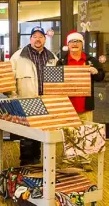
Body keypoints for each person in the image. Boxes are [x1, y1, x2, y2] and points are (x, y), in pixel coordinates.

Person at [10, 26, 58, 166]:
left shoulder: (52, 57)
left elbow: (57, 82)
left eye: (41, 37)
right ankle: (25, 162)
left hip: (45, 101)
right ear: (30, 39)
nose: (38, 39)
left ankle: (38, 162)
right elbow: (9, 78)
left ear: (45, 39)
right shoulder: (17, 56)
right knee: (26, 134)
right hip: (26, 100)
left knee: (42, 133)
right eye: (35, 36)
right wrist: (14, 98)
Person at [58, 30, 105, 172]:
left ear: (82, 44)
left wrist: (96, 72)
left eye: (77, 41)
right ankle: (68, 159)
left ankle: (85, 160)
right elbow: (54, 82)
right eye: (72, 41)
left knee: (87, 133)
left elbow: (101, 76)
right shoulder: (62, 61)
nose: (75, 44)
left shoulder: (90, 60)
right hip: (68, 105)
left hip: (86, 104)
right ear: (68, 44)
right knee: (68, 133)